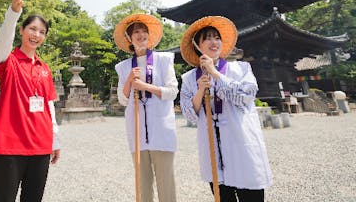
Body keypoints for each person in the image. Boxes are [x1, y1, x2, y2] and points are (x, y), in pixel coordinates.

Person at [179, 16, 272, 202]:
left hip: (241, 143)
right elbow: (189, 114)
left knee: (251, 196)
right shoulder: (189, 78)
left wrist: (215, 73)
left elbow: (244, 97)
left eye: (217, 37)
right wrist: (200, 91)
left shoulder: (241, 68)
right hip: (212, 147)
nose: (214, 42)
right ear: (197, 45)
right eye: (207, 38)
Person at [0, 0, 60, 202]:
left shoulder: (45, 68)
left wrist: (55, 141)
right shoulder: (8, 61)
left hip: (41, 147)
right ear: (22, 31)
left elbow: (49, 106)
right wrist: (13, 13)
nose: (36, 35)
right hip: (9, 147)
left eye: (42, 32)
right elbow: (3, 42)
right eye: (32, 29)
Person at [113, 14, 179, 202]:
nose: (140, 35)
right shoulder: (123, 67)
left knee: (166, 184)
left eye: (144, 31)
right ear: (129, 38)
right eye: (136, 32)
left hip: (162, 129)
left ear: (149, 36)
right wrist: (129, 81)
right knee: (142, 185)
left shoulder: (164, 60)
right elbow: (123, 100)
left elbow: (172, 91)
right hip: (137, 131)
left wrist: (146, 87)